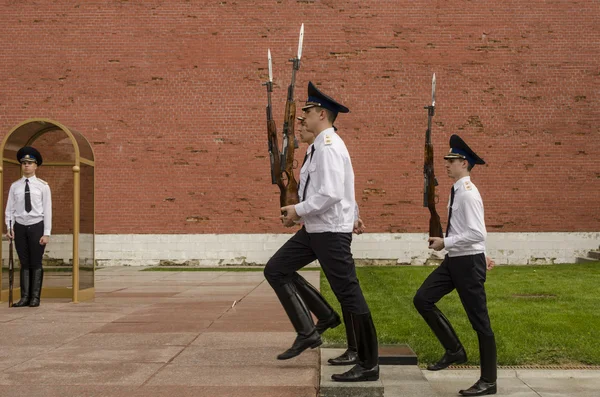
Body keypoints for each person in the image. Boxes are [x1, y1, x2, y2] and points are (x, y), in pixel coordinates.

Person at [264, 82, 378, 382]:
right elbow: (342, 188)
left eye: (308, 112)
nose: (303, 118)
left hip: (329, 232)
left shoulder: (329, 147)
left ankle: (368, 364)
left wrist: (298, 210)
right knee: (276, 269)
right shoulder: (320, 146)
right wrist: (304, 215)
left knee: (350, 294)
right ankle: (312, 327)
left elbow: (329, 193)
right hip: (316, 229)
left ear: (323, 115)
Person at [413, 134, 497, 396]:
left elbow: (477, 233)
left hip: (466, 264)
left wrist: (445, 242)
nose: (446, 164)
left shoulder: (468, 194)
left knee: (480, 322)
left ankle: (489, 381)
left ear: (463, 162)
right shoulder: (457, 189)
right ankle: (454, 350)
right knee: (423, 299)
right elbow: (468, 230)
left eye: (450, 160)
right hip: (456, 261)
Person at [5, 147, 52, 307]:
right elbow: (9, 209)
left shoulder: (43, 186)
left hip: (36, 225)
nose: (26, 166)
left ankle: (35, 297)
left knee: (36, 262)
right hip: (20, 227)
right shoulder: (15, 186)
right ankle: (25, 297)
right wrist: (9, 227)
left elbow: (47, 210)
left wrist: (46, 233)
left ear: (36, 166)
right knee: (24, 262)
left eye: (30, 163)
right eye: (24, 163)